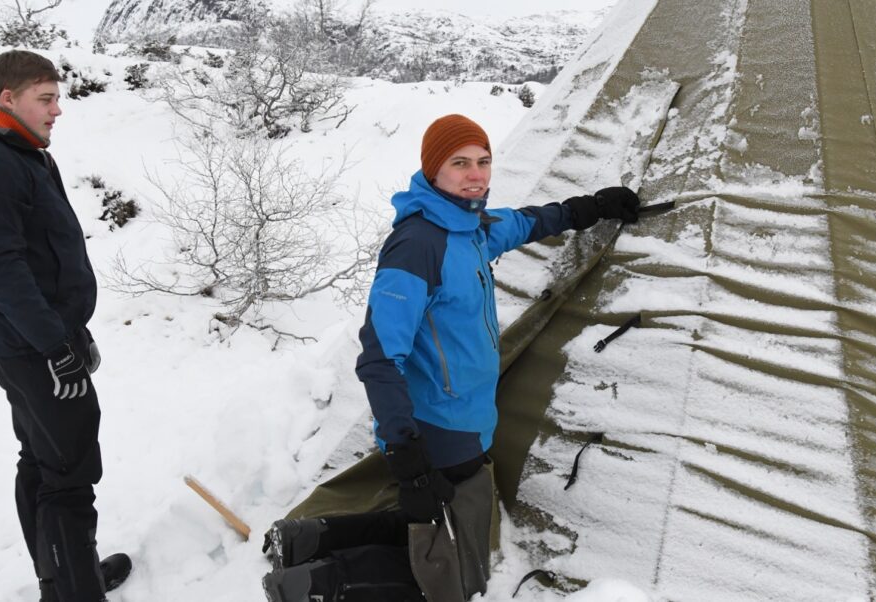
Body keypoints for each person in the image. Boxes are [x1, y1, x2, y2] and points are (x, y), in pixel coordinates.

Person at [262, 114, 640, 602]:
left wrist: (586, 208)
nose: (476, 174)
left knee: (428, 521)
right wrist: (404, 451)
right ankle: (310, 586)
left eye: (483, 161)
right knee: (452, 569)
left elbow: (527, 221)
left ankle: (306, 540)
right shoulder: (418, 245)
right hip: (440, 423)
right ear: (433, 170)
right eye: (460, 163)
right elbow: (379, 356)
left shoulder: (473, 227)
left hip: (469, 415)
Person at [0, 51, 131, 602]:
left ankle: (67, 580)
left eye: (57, 97)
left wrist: (72, 329)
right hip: (27, 344)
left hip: (30, 336)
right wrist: (52, 343)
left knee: (44, 456)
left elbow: (42, 258)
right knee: (68, 469)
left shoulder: (24, 154)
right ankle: (75, 591)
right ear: (6, 99)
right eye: (45, 98)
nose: (57, 110)